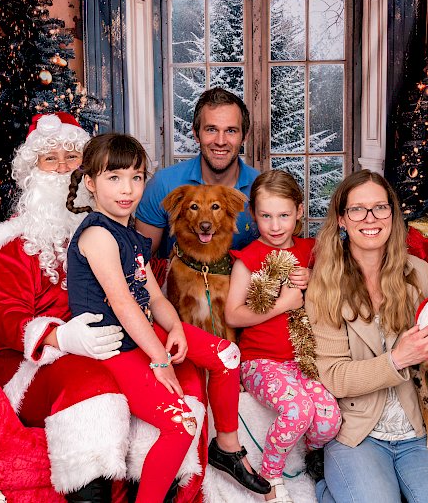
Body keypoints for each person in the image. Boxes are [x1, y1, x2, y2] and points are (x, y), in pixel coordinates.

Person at [65, 133, 271, 503]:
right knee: (181, 425)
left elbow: (155, 296)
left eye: (136, 177)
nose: (127, 189)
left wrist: (175, 326)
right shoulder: (97, 234)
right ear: (91, 183)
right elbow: (124, 305)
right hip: (113, 345)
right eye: (114, 178)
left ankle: (226, 446)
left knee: (227, 355)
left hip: (142, 330)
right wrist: (160, 359)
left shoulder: (129, 234)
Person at [0, 113, 132, 502]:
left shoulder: (107, 230)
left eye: (72, 157)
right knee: (89, 386)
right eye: (49, 159)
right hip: (30, 363)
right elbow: (4, 316)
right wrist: (60, 336)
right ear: (32, 171)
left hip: (102, 346)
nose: (62, 168)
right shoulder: (8, 245)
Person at [305, 170, 428, 503]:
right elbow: (334, 377)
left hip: (422, 431)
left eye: (380, 208)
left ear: (392, 215)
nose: (370, 218)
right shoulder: (325, 287)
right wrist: (396, 360)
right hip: (357, 435)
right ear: (341, 219)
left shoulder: (420, 274)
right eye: (357, 209)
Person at [224, 170, 342, 503]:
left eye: (284, 216)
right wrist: (283, 304)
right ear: (253, 214)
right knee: (298, 410)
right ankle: (271, 475)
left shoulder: (312, 251)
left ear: (299, 211)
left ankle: (304, 456)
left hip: (303, 361)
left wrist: (314, 278)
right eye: (266, 216)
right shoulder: (248, 259)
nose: (275, 226)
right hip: (261, 362)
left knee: (329, 419)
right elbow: (233, 314)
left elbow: (336, 294)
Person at [135, 87, 260, 258]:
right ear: (196, 133)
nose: (220, 141)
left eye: (231, 130)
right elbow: (139, 261)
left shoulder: (260, 188)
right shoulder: (163, 184)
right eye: (211, 129)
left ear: (244, 136)